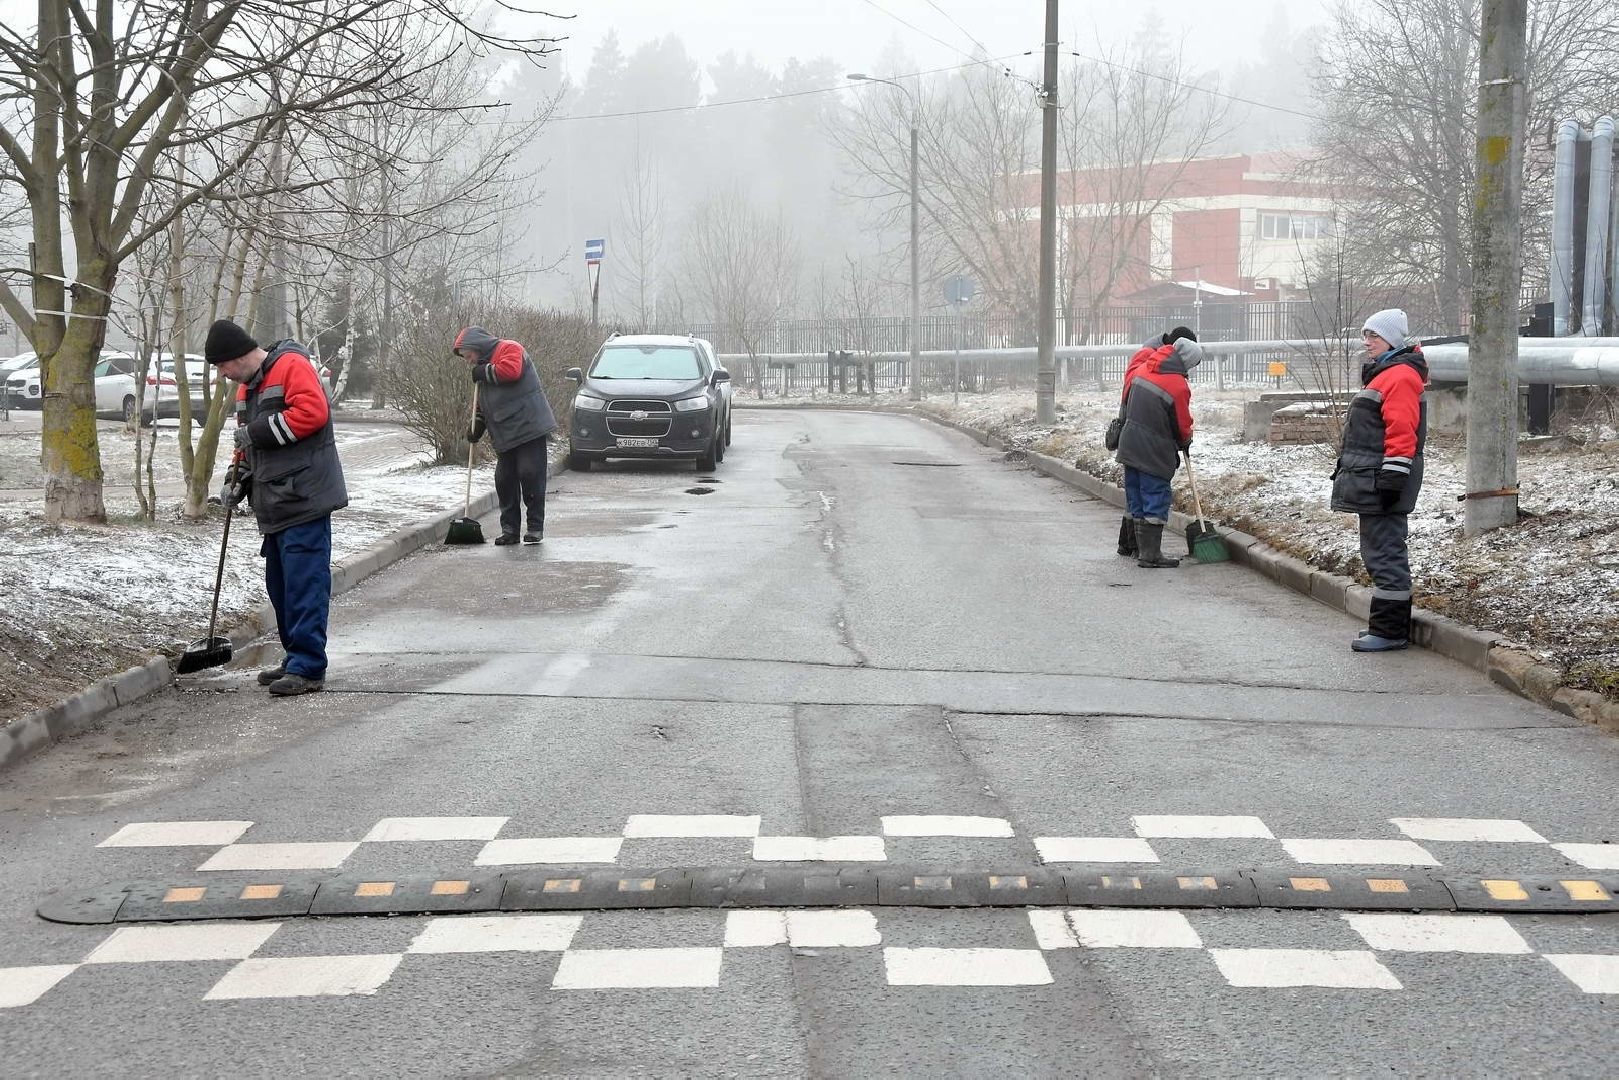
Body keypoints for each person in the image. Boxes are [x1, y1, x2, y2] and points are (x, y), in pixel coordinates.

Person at [209, 319, 348, 696]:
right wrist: (235, 479)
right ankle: (295, 657)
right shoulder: (245, 389)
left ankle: (308, 666)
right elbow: (245, 447)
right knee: (281, 585)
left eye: (222, 366)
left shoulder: (291, 366)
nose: (223, 375)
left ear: (237, 356)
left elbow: (312, 414)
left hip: (304, 495)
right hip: (274, 501)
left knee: (305, 584)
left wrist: (254, 433)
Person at [1332, 308, 1427, 652]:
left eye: (1373, 335)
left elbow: (1402, 432)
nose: (1366, 342)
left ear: (1392, 340)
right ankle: (1386, 627)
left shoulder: (1399, 376)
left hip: (1382, 480)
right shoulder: (1385, 375)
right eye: (1366, 335)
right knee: (1379, 551)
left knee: (1385, 552)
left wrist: (1392, 478)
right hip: (1373, 478)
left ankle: (1389, 632)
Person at [454, 326, 558, 546]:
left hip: (529, 426)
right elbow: (482, 404)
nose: (468, 361)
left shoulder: (509, 348)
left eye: (468, 355)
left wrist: (483, 372)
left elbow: (511, 371)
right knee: (504, 480)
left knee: (530, 474)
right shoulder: (482, 371)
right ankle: (509, 530)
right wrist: (477, 425)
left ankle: (535, 527)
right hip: (504, 433)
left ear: (476, 347)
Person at [1115, 333, 1204, 568]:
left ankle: (1136, 548)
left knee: (1136, 496)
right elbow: (1182, 423)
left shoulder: (1144, 369)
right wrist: (1185, 440)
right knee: (1155, 496)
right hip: (1152, 450)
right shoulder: (1177, 384)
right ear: (1187, 360)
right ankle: (1150, 554)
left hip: (1130, 443)